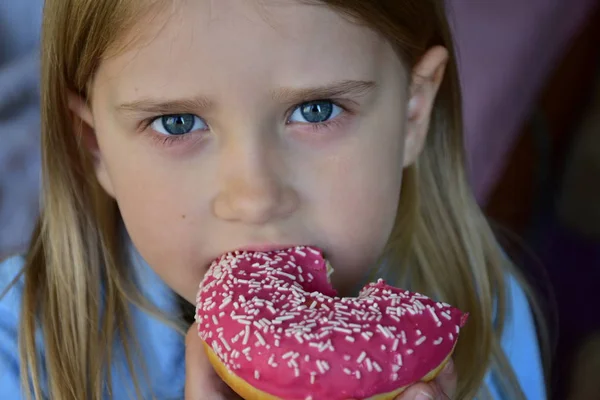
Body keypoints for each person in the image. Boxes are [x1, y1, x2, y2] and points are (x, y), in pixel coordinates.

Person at [0, 1, 547, 399]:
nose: (255, 197)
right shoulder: (16, 354)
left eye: (317, 110)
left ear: (411, 112)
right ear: (96, 146)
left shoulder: (486, 318)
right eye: (177, 122)